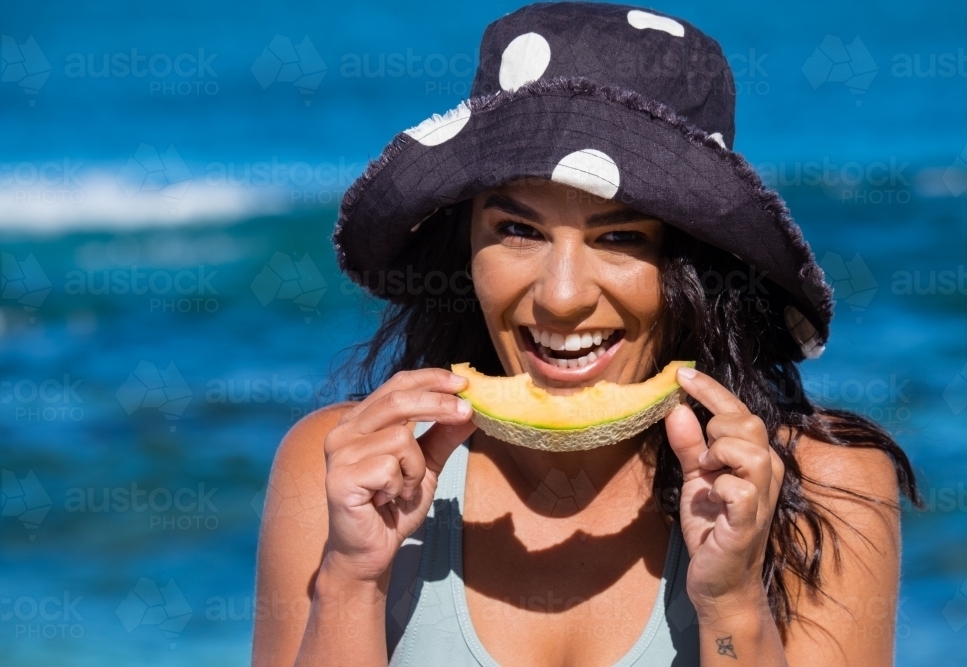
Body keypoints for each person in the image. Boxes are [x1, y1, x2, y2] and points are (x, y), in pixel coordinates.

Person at [251, 3, 919, 665]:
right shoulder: (339, 472)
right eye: (517, 230)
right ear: (466, 249)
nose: (562, 297)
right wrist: (353, 579)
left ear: (696, 270)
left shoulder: (827, 494)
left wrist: (733, 604)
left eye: (620, 237)